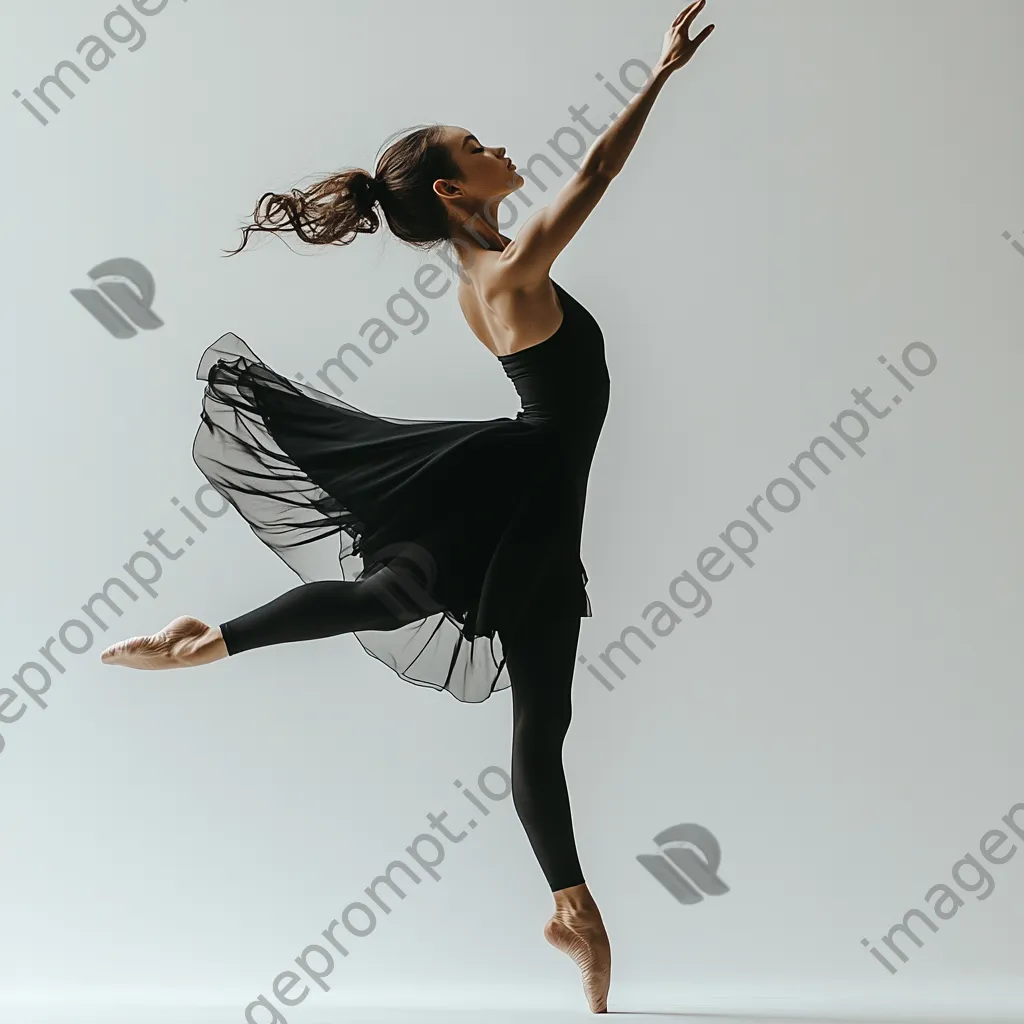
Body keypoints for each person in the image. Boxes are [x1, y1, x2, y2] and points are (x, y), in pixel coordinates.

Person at [100, 4, 715, 1012]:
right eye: (478, 148)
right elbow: (596, 178)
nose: (501, 147)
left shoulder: (482, 277)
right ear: (450, 189)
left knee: (493, 676)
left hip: (539, 502)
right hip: (523, 479)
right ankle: (211, 638)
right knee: (472, 663)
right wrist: (661, 73)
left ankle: (572, 910)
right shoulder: (509, 275)